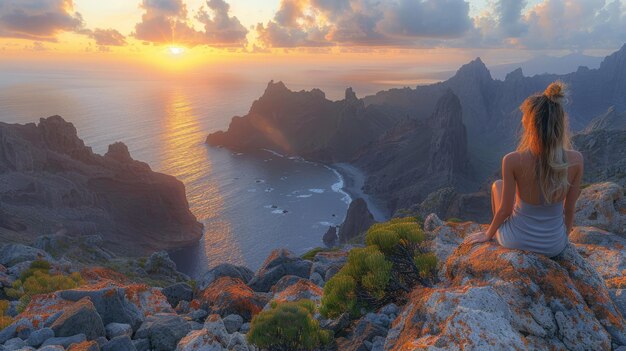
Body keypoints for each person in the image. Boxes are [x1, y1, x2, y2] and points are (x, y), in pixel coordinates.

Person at [465, 81, 584, 257]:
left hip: (516, 241)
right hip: (554, 246)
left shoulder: (512, 160)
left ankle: (497, 230)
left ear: (530, 126)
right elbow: (569, 209)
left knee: (498, 185)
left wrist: (487, 234)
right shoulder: (576, 160)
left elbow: (505, 210)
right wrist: (562, 240)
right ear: (559, 124)